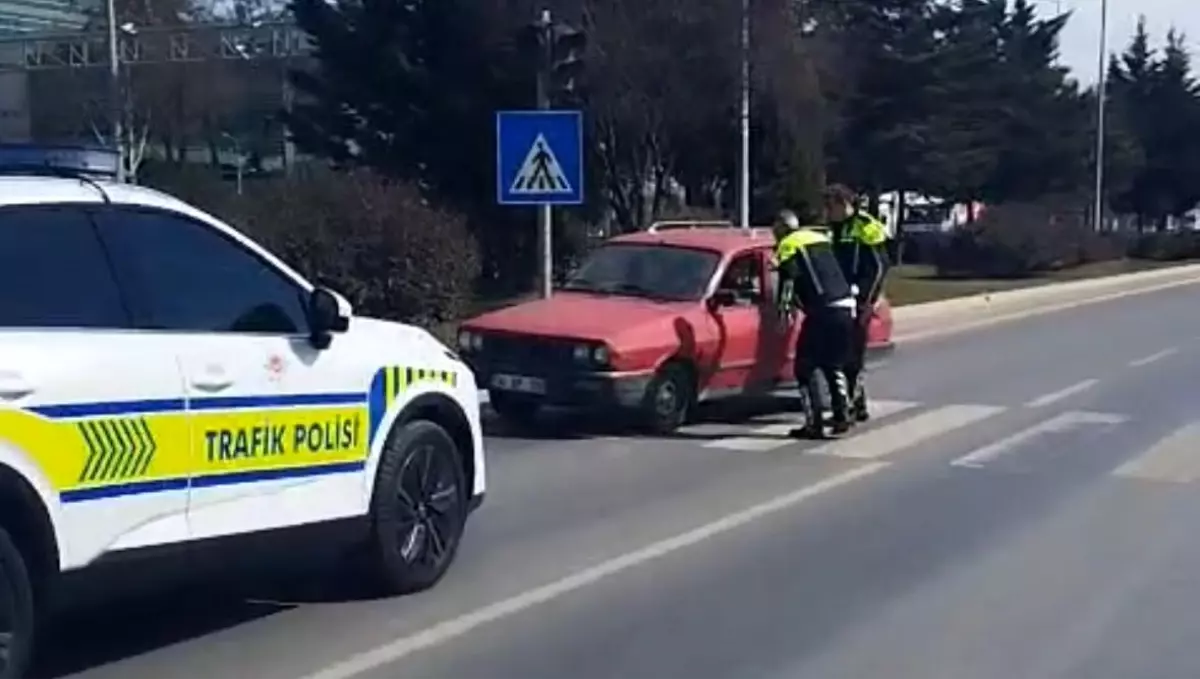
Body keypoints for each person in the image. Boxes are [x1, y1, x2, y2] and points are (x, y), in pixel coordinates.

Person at [772, 208, 858, 439]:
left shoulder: (788, 244)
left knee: (805, 366)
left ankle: (814, 423)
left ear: (781, 228)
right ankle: (843, 416)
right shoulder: (818, 237)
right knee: (834, 363)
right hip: (846, 305)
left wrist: (783, 312)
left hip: (823, 310)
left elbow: (788, 279)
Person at [823, 184, 890, 422]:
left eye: (831, 208)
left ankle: (851, 406)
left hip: (860, 298)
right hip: (840, 298)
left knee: (852, 354)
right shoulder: (835, 228)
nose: (827, 213)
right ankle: (858, 403)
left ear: (843, 205)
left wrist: (866, 300)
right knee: (846, 353)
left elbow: (879, 267)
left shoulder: (866, 226)